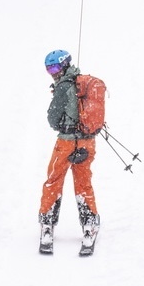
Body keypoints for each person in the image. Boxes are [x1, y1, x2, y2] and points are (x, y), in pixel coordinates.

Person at [39, 49, 100, 249]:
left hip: (66, 142)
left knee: (53, 182)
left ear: (64, 65)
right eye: (49, 69)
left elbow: (52, 118)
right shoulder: (83, 83)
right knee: (84, 184)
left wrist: (62, 123)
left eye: (55, 67)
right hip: (87, 142)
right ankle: (90, 226)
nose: (53, 72)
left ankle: (47, 226)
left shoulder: (64, 86)